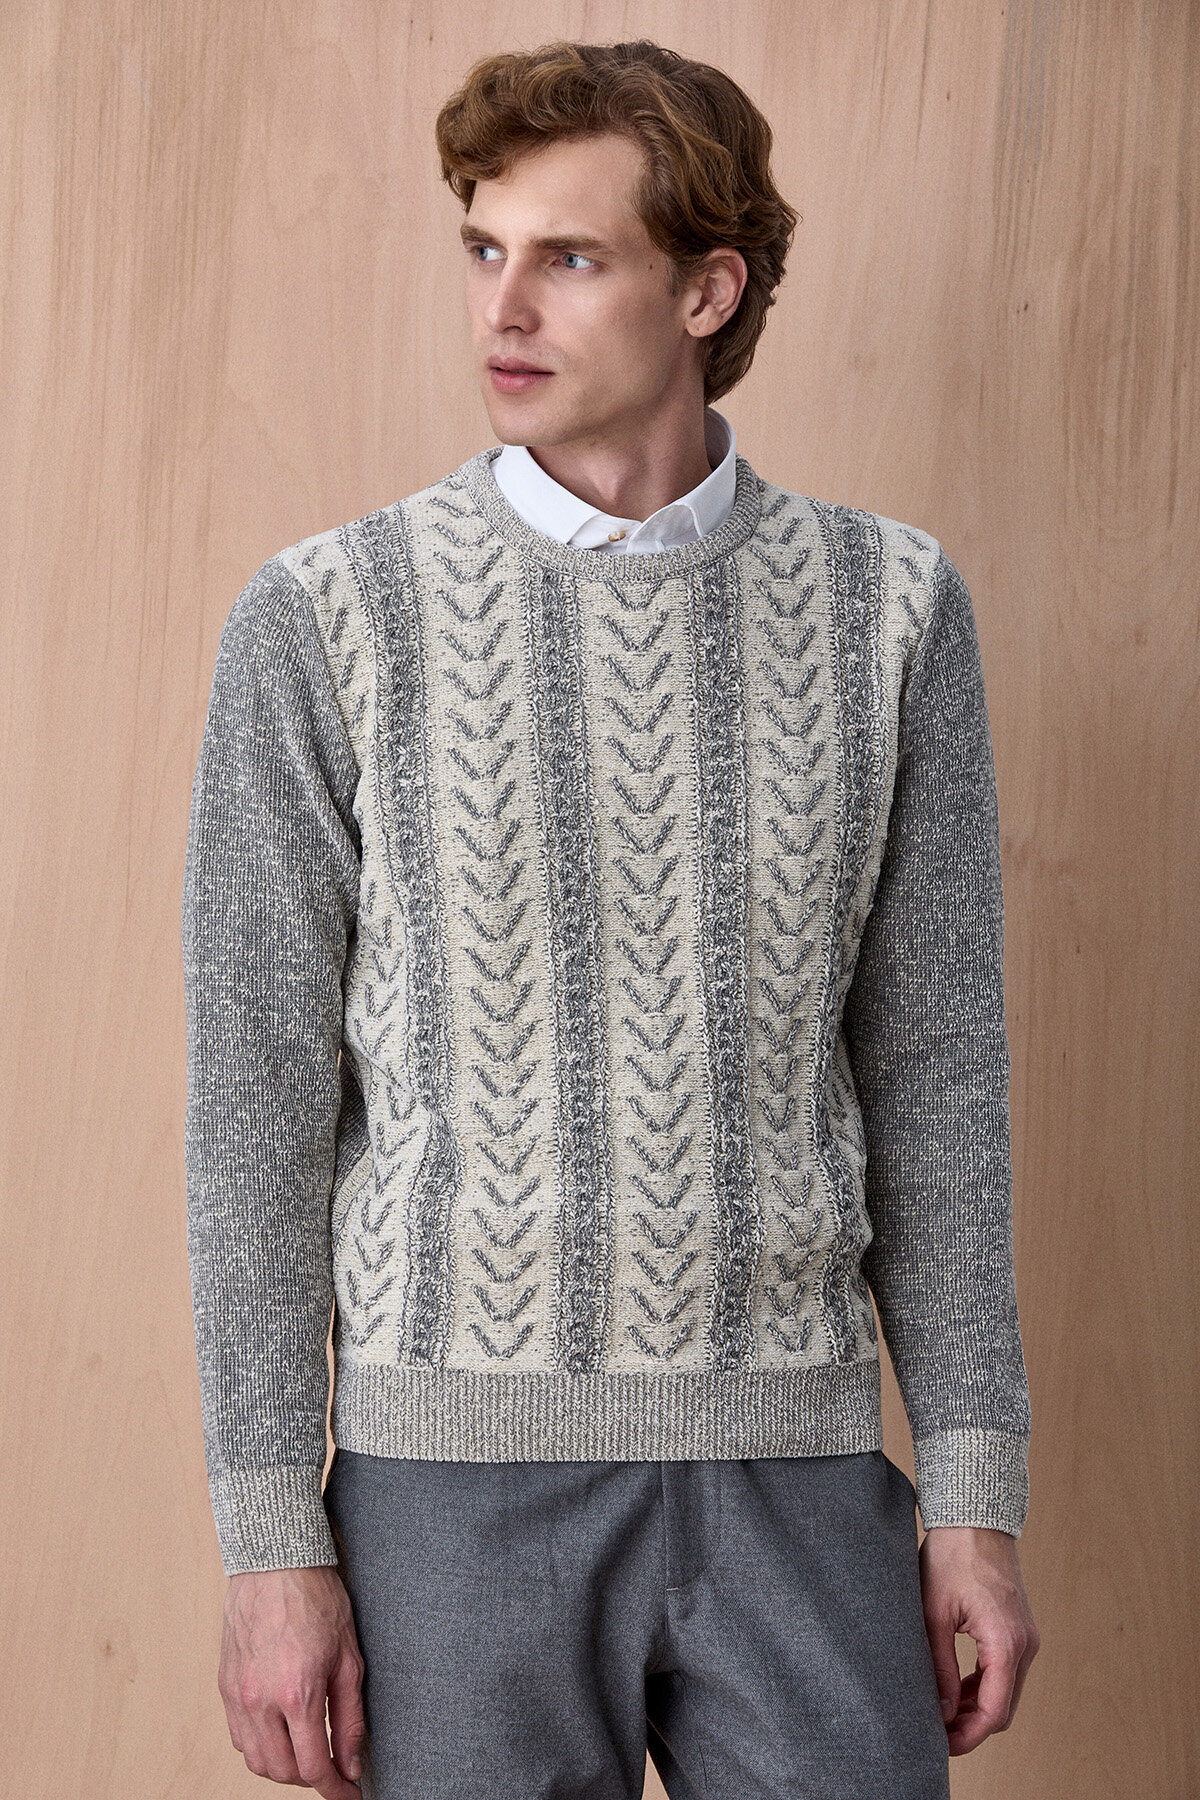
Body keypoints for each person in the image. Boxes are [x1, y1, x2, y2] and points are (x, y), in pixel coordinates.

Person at [181, 37, 1039, 1800]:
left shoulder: (890, 611)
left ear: (708, 290)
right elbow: (255, 1110)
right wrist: (270, 1540)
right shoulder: (328, 620)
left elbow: (940, 1080)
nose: (504, 308)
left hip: (800, 1470)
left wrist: (972, 1490)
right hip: (449, 1493)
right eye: (484, 250)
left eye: (570, 257)